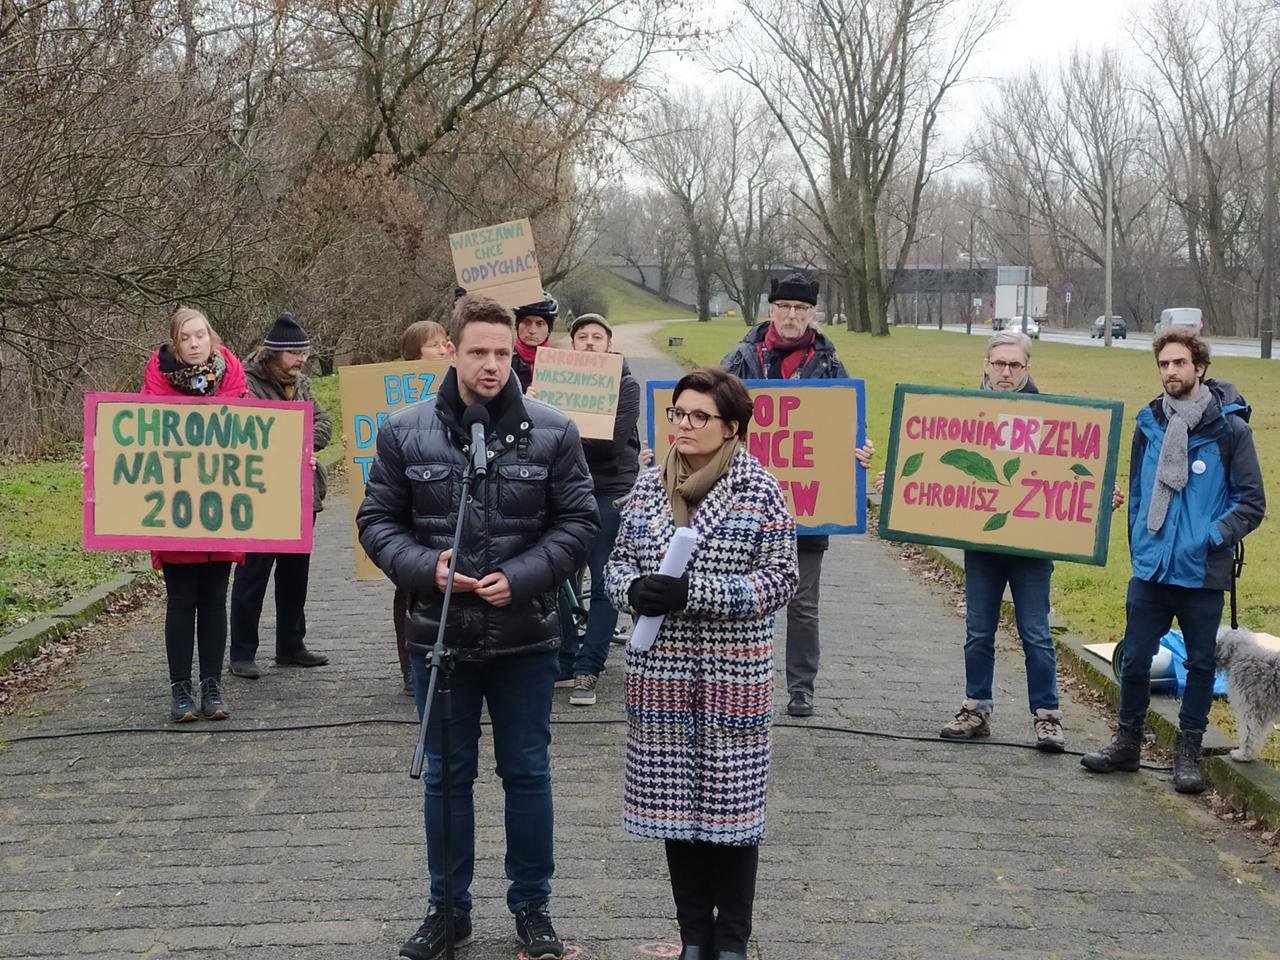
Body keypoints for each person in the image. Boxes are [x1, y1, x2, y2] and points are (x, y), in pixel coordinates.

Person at [357, 294, 598, 960]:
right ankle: (447, 909)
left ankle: (533, 910)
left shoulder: (554, 430)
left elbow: (578, 525)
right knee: (445, 779)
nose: (491, 365)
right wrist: (422, 567)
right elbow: (377, 524)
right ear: (453, 352)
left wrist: (522, 576)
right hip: (441, 640)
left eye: (501, 353)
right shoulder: (404, 431)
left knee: (526, 774)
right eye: (478, 352)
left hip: (525, 636)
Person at [605, 366, 797, 960]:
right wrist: (632, 591)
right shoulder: (645, 487)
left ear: (731, 426)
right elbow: (615, 564)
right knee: (674, 814)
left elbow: (782, 578)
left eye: (698, 417)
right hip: (661, 677)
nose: (684, 426)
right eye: (677, 415)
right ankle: (693, 937)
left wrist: (698, 594)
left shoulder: (760, 489)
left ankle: (732, 941)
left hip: (730, 677)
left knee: (732, 818)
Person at [1082, 329, 1265, 793]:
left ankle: (1189, 752)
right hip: (1151, 566)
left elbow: (1251, 502)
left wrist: (1209, 537)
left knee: (1202, 663)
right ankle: (1126, 744)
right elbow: (1140, 489)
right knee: (1136, 657)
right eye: (1164, 364)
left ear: (1199, 367)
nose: (1171, 372)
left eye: (1179, 363)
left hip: (1202, 570)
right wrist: (1140, 538)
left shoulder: (1230, 431)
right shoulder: (1149, 424)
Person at [936, 331, 1098, 750]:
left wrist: (1099, 497)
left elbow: (1073, 476)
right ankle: (976, 708)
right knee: (978, 631)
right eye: (998, 364)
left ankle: (1048, 716)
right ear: (985, 367)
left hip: (1031, 545)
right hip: (983, 544)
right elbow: (941, 468)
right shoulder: (966, 415)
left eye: (1015, 365)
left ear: (1027, 368)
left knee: (1036, 632)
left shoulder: (1055, 418)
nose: (1006, 372)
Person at [721, 271, 873, 718]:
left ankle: (801, 687)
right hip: (746, 507)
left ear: (813, 314)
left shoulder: (829, 361)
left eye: (801, 309)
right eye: (784, 307)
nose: (792, 316)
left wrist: (858, 451)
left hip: (809, 506)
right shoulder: (739, 359)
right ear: (770, 309)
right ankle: (743, 682)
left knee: (803, 604)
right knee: (747, 598)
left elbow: (849, 421)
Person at [140, 306, 247, 721]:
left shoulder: (233, 377)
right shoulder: (157, 384)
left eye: (201, 334)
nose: (196, 343)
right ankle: (181, 690)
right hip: (176, 513)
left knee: (215, 599)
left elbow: (260, 436)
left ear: (211, 337)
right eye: (186, 337)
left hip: (221, 513)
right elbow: (137, 441)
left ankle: (213, 687)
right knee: (182, 601)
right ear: (175, 343)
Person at [228, 313, 333, 678]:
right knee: (252, 575)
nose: (301, 359)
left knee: (295, 574)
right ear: (273, 353)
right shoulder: (248, 384)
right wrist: (290, 438)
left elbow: (324, 422)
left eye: (304, 352)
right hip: (261, 493)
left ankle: (291, 644)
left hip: (302, 491)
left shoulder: (301, 384)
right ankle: (242, 652)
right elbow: (250, 429)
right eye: (294, 353)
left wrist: (298, 438)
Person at [553, 313, 641, 706]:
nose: (589, 342)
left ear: (609, 344)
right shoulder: (552, 382)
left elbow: (612, 444)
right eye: (582, 336)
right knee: (552, 575)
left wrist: (561, 433)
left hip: (609, 491)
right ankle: (567, 657)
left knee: (605, 580)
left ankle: (590, 666)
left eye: (597, 336)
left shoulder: (626, 384)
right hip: (562, 490)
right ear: (573, 345)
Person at [390, 319, 452, 694]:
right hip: (413, 504)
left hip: (445, 502)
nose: (444, 349)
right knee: (409, 587)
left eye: (447, 342)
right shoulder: (395, 396)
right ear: (414, 354)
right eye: (435, 345)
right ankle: (411, 666)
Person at [511, 292, 559, 392]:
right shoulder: (505, 361)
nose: (532, 330)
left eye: (540, 324)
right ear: (517, 326)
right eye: (526, 322)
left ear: (549, 330)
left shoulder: (560, 365)